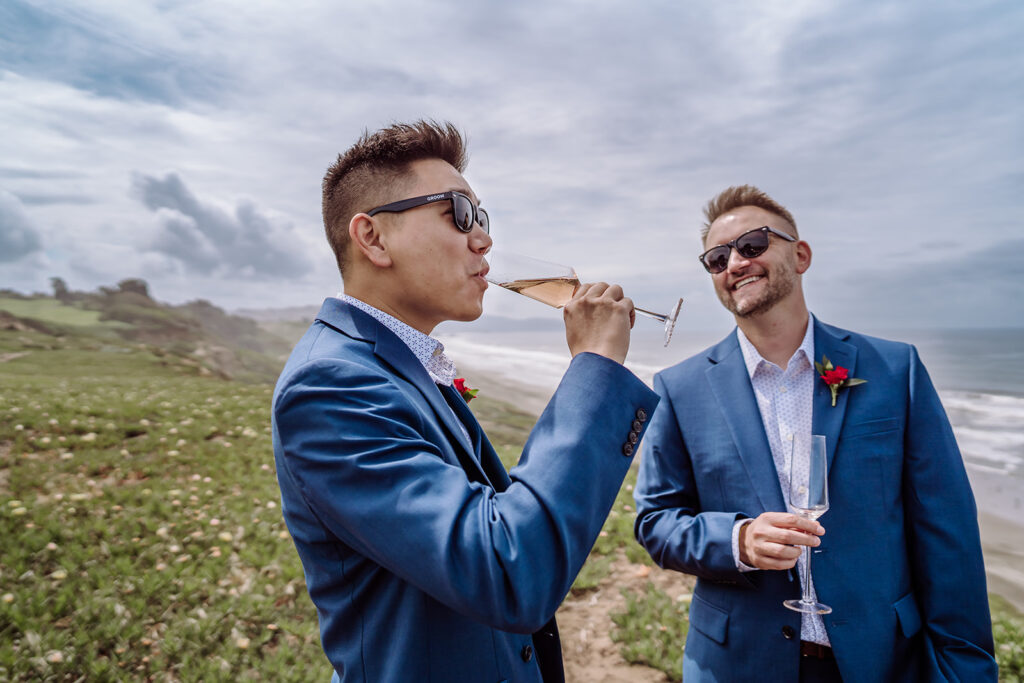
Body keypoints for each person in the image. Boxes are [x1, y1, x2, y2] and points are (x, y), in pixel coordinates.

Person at [271, 120, 659, 682]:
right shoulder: (329, 386)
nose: (484, 239)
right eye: (459, 212)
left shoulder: (393, 364)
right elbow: (507, 570)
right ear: (373, 238)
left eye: (484, 218)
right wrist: (595, 367)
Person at [633, 185, 997, 682]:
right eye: (717, 258)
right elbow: (656, 521)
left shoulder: (895, 369)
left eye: (753, 245)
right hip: (739, 664)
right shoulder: (679, 388)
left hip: (880, 661)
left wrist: (965, 671)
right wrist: (736, 540)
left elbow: (947, 534)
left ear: (800, 255)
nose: (735, 263)